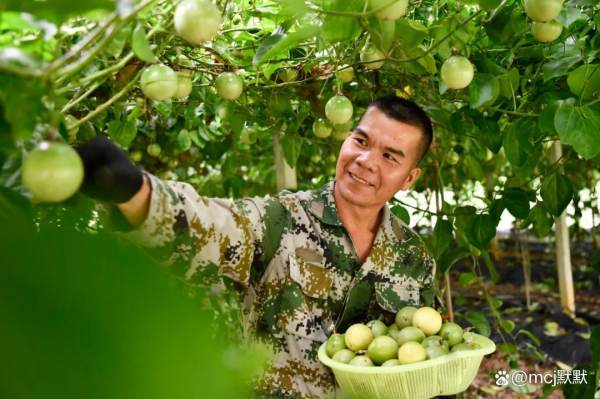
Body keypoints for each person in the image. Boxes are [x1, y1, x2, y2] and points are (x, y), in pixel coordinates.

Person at [76, 95, 437, 399]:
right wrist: (135, 192)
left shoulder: (413, 258)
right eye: (361, 141)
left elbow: (428, 357)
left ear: (408, 178)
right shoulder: (280, 220)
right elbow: (213, 227)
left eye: (390, 156)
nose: (366, 161)